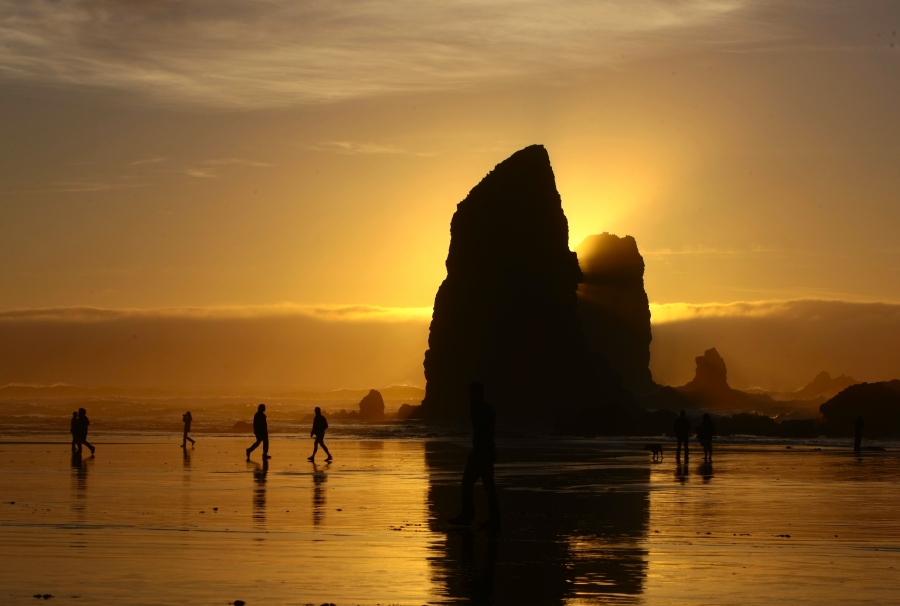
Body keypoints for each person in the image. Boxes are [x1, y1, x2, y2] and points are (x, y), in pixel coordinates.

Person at [448, 381, 500, 530]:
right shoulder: (479, 408)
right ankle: (469, 516)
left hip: (483, 452)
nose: (469, 395)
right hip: (480, 451)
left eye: (472, 392)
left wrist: (485, 451)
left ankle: (482, 518)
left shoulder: (484, 410)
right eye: (469, 392)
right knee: (471, 483)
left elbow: (486, 433)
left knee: (485, 485)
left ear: (479, 393)